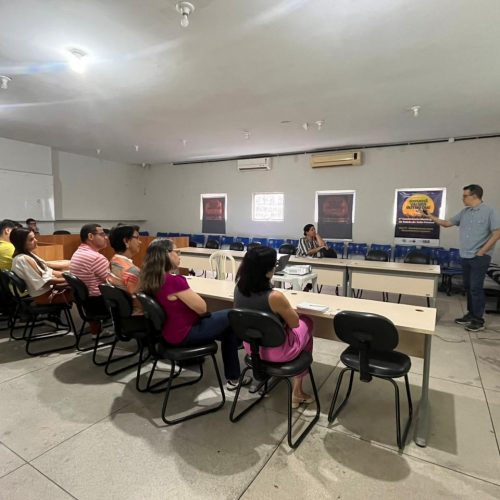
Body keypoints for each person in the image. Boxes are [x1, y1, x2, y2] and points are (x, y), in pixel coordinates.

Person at [140, 238, 250, 390]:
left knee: (228, 330)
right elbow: (202, 308)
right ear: (166, 254)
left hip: (169, 333)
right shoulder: (174, 281)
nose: (179, 255)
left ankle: (234, 377)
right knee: (232, 314)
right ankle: (239, 367)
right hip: (186, 333)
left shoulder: (151, 279)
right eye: (176, 252)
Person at [234, 245, 315, 408]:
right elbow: (295, 323)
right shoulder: (275, 297)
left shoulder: (238, 289)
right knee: (307, 322)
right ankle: (297, 392)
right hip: (279, 353)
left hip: (250, 348)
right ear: (268, 270)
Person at [420, 184, 500, 332]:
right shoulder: (465, 212)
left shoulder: (490, 211)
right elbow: (446, 223)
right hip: (465, 255)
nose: (462, 198)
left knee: (476, 288)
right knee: (468, 287)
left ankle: (478, 320)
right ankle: (471, 314)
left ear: (474, 196)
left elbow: (497, 233)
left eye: (465, 196)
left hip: (480, 257)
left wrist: (482, 251)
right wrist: (429, 216)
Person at [10, 228, 71, 304]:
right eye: (31, 239)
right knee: (80, 292)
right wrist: (69, 279)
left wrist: (68, 275)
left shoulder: (29, 254)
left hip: (49, 291)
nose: (36, 240)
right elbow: (44, 282)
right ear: (21, 243)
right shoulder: (22, 259)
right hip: (45, 296)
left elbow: (48, 271)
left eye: (34, 238)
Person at [69, 224, 110, 334]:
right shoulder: (96, 258)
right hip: (99, 304)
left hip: (87, 304)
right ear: (91, 236)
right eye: (102, 234)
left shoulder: (77, 253)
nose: (106, 237)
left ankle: (96, 332)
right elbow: (112, 282)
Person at [107, 225, 142, 315]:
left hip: (120, 315)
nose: (140, 242)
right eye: (137, 238)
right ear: (126, 241)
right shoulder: (132, 271)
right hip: (137, 317)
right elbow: (141, 302)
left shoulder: (113, 261)